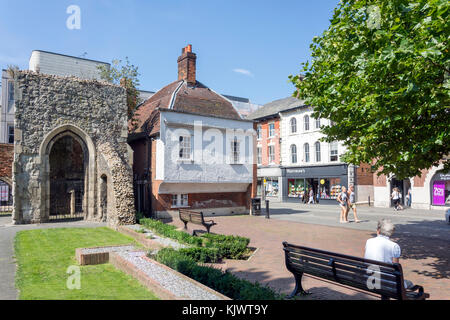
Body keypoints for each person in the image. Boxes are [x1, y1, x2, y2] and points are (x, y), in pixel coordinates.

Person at [364, 219, 414, 289]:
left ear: (378, 230)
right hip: (386, 281)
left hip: (368, 278)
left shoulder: (369, 241)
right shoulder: (394, 246)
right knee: (410, 284)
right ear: (391, 232)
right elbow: (395, 267)